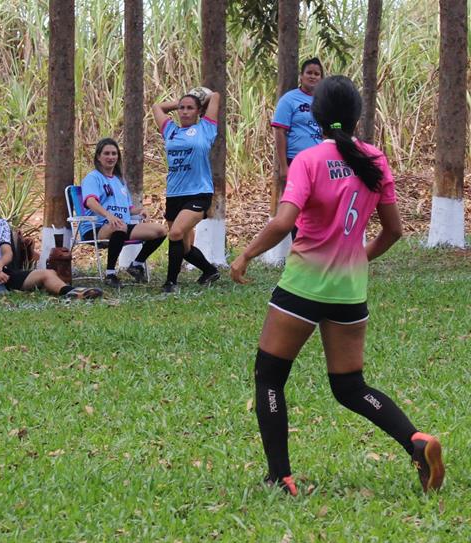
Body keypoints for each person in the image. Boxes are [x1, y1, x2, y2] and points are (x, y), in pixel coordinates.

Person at [230, 76, 444, 497]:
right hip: (349, 292)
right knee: (350, 387)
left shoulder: (308, 160)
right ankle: (416, 442)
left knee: (269, 377)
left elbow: (283, 222)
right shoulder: (376, 160)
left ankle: (280, 477)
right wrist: (355, 258)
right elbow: (394, 231)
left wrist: (245, 254)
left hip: (303, 287)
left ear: (315, 114)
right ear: (357, 115)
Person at [0, 183, 102, 299]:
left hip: (2, 272)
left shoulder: (2, 223)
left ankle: (72, 292)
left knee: (48, 273)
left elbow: (7, 254)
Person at [151, 87, 222, 293]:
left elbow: (215, 95)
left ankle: (171, 283)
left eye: (190, 108)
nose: (184, 111)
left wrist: (198, 98)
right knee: (184, 245)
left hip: (199, 192)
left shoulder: (205, 128)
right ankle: (209, 271)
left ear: (199, 111)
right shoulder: (170, 130)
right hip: (174, 194)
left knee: (175, 233)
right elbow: (157, 107)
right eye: (181, 108)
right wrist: (181, 100)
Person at [79, 138, 167, 287]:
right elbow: (90, 202)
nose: (111, 157)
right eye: (106, 153)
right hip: (98, 228)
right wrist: (108, 215)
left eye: (114, 153)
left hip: (121, 225)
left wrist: (141, 210)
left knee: (161, 230)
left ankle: (136, 265)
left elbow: (128, 209)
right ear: (98, 157)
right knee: (119, 226)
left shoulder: (119, 180)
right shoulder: (93, 178)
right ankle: (110, 274)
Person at [271, 58, 324, 192]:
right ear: (301, 76)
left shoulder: (325, 101)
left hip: (319, 161)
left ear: (321, 78)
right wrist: (284, 166)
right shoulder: (289, 99)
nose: (312, 76)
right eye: (309, 73)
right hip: (295, 160)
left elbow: (333, 126)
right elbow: (279, 131)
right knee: (296, 199)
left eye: (317, 74)